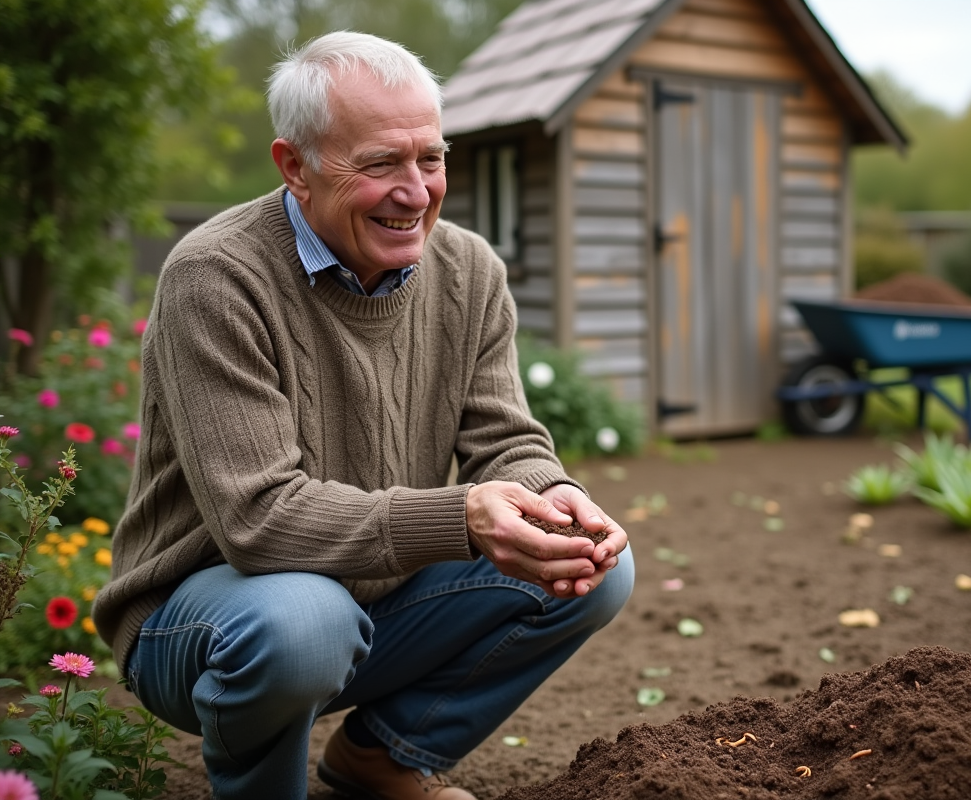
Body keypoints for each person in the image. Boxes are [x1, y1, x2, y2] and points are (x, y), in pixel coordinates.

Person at [92, 31, 633, 800]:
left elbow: (505, 439)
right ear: (296, 166)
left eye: (431, 158)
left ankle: (382, 758)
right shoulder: (216, 277)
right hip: (209, 618)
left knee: (587, 565)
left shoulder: (468, 270)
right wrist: (465, 518)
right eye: (380, 164)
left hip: (372, 608)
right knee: (305, 620)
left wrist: (547, 492)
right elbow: (259, 521)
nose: (415, 191)